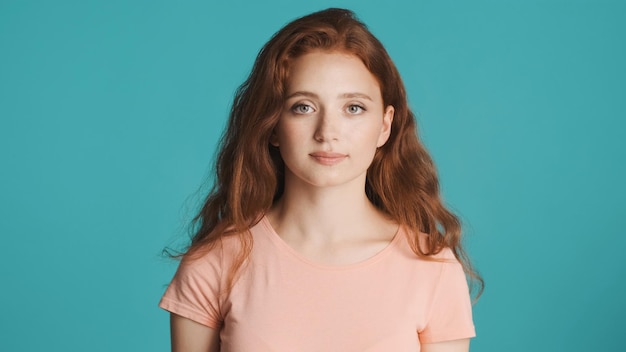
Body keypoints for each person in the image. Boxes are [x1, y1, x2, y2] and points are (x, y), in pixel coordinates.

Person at [159, 7, 482, 352]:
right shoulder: (214, 262)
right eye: (303, 107)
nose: (328, 133)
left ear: (385, 125)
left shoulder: (432, 267)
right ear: (272, 126)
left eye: (353, 108)